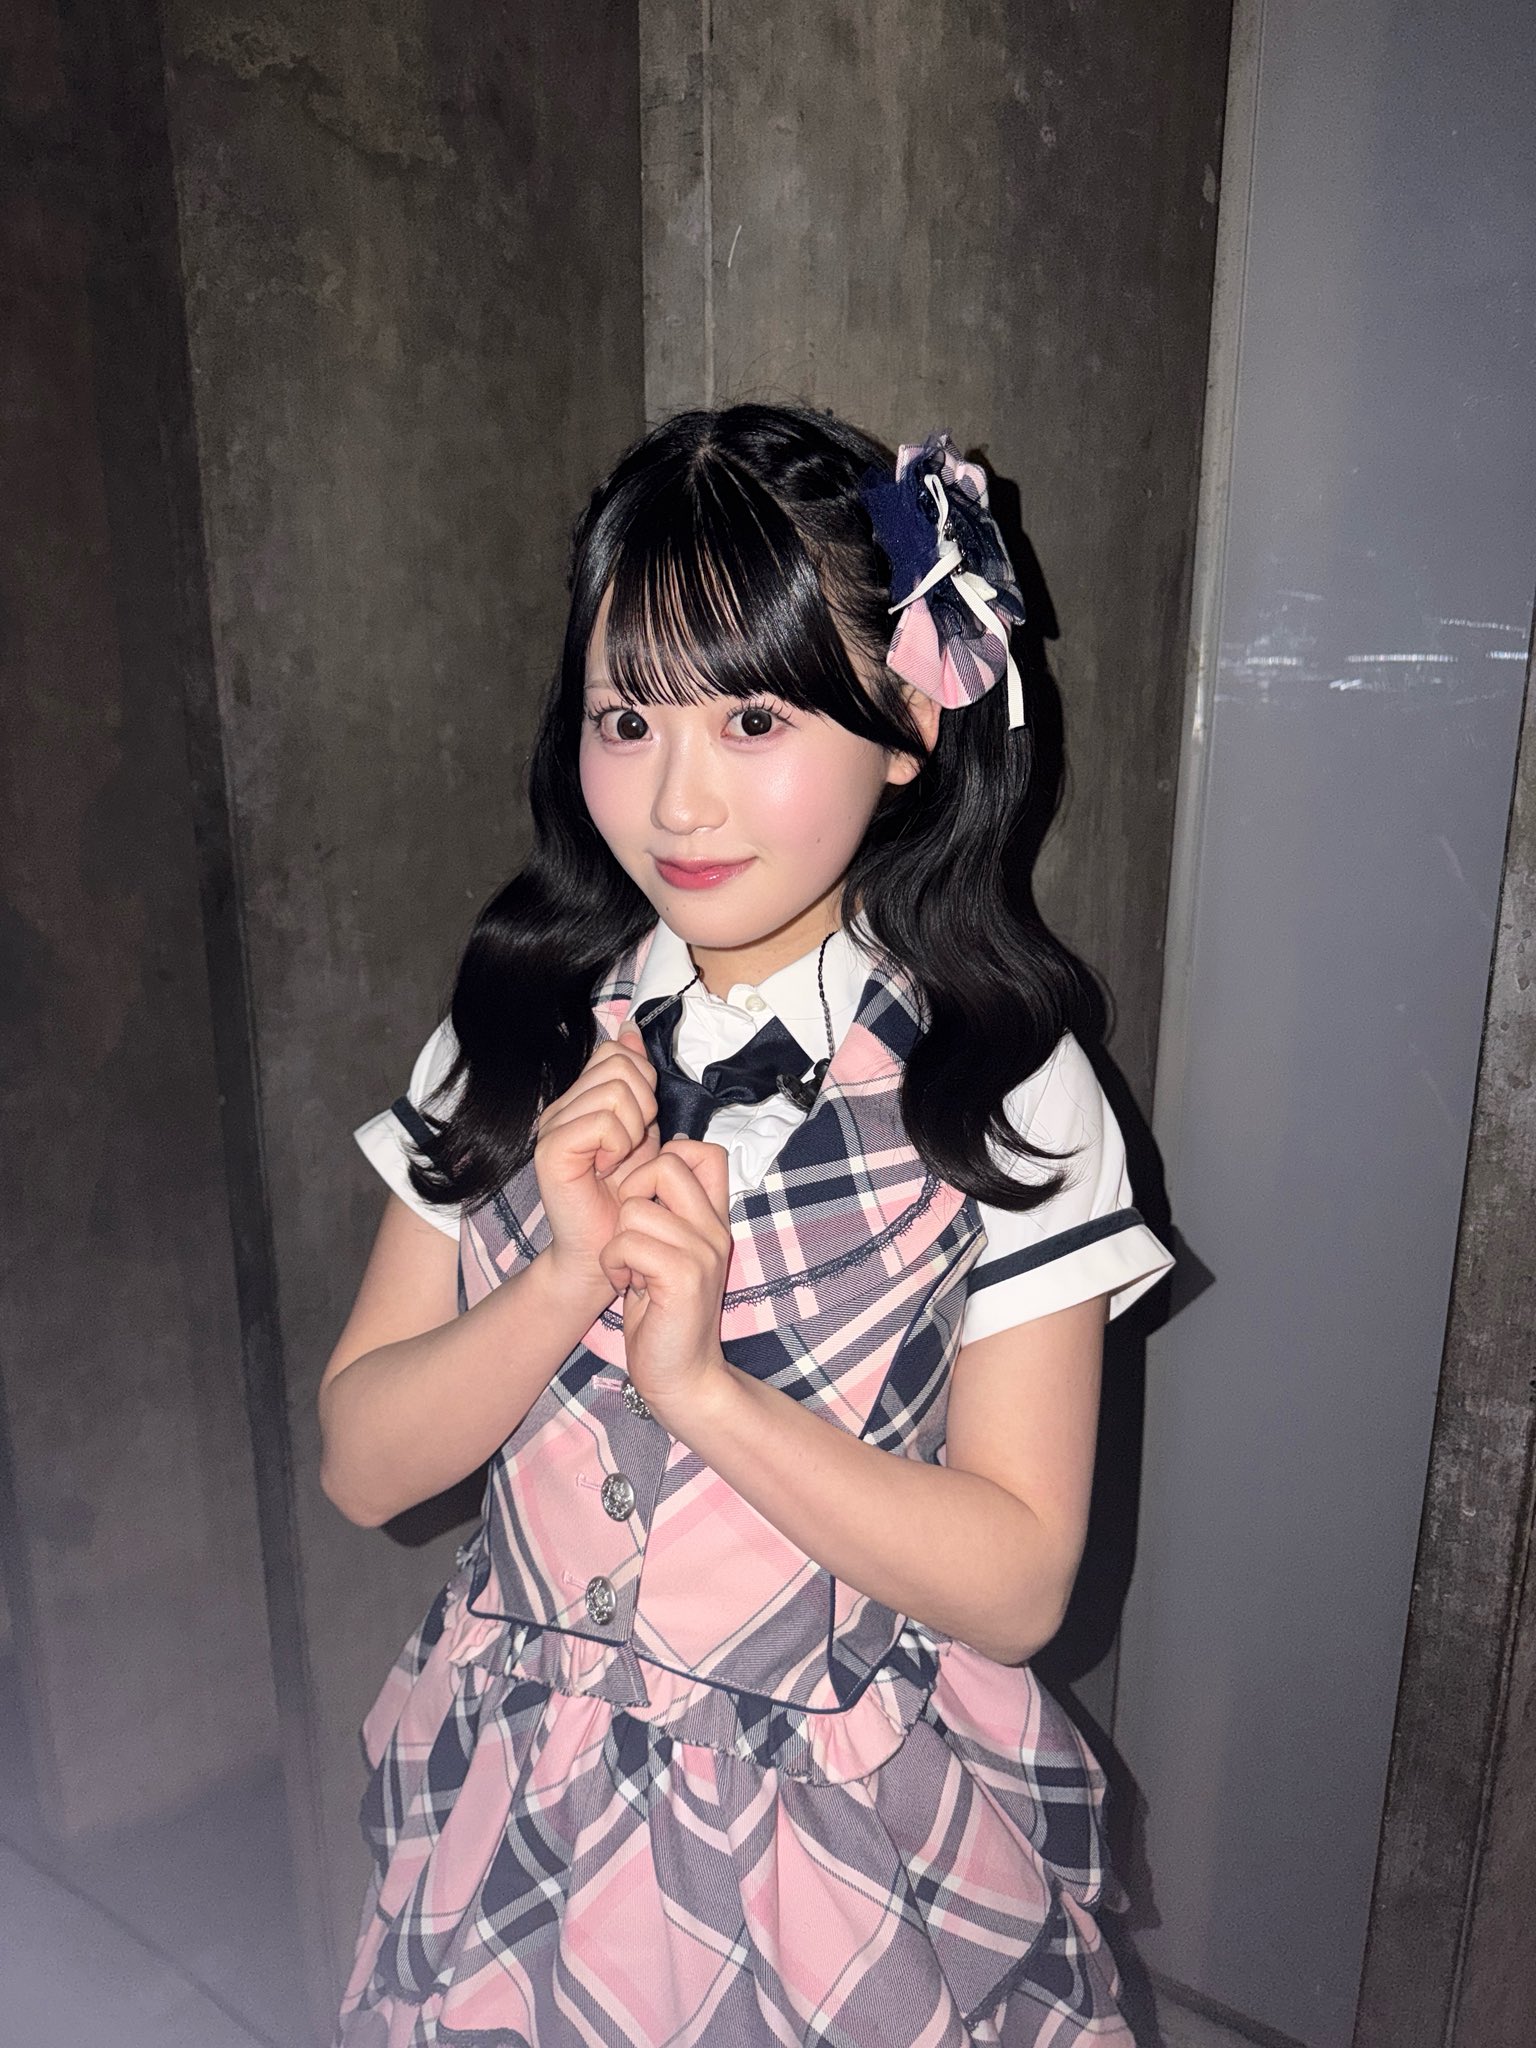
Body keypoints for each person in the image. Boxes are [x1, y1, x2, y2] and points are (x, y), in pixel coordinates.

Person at [322, 402, 1175, 2047]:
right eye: (625, 718)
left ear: (910, 726)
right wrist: (560, 1279)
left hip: (835, 1839)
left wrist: (706, 1393)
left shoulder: (1007, 1083)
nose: (679, 801)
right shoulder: (509, 1028)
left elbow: (1018, 1584)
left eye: (756, 717)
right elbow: (365, 1464)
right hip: (519, 1800)